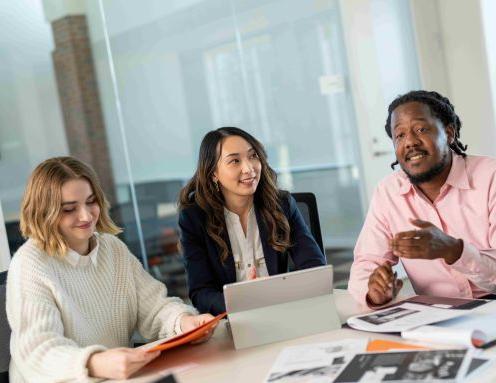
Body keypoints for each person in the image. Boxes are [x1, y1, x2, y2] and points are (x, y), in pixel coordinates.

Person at [6, 157, 214, 382]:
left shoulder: (112, 249)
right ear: (44, 212)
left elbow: (154, 308)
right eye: (69, 209)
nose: (86, 216)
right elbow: (39, 351)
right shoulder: (31, 263)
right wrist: (94, 363)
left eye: (91, 201)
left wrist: (183, 322)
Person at [348, 90, 496, 308]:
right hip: (445, 310)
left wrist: (454, 251)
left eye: (421, 129)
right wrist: (374, 291)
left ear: (449, 133)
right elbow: (366, 263)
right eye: (400, 135)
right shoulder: (388, 192)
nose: (410, 142)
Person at [178, 127, 326, 315]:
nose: (249, 168)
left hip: (285, 311)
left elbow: (314, 268)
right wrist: (242, 301)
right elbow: (201, 292)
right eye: (234, 161)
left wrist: (276, 295)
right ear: (213, 172)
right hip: (236, 320)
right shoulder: (195, 218)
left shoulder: (282, 205)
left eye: (253, 156)